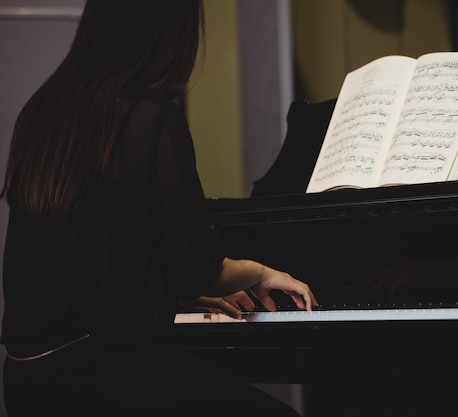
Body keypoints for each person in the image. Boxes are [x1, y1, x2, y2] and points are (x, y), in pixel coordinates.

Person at [0, 1, 317, 415]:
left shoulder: (42, 111)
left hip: (28, 381)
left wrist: (170, 292)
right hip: (103, 376)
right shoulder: (149, 117)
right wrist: (260, 272)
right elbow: (198, 269)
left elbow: (84, 262)